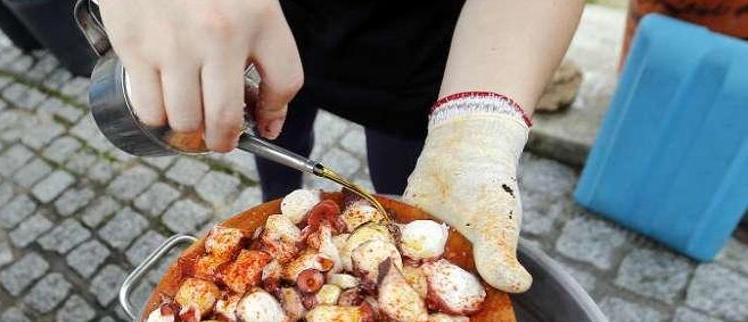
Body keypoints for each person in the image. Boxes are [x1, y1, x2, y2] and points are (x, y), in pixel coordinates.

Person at [98, 0, 584, 293]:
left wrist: (475, 128)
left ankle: (387, 241)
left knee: (405, 190)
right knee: (276, 130)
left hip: (419, 54)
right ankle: (279, 206)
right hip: (263, 33)